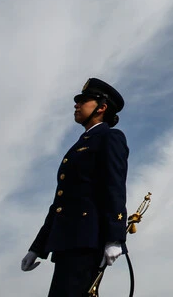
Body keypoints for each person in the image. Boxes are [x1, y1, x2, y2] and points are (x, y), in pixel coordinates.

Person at [21, 78, 130, 297]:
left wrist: (114, 238)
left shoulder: (109, 137)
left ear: (101, 107)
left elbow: (114, 187)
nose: (76, 105)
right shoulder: (80, 144)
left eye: (83, 100)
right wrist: (37, 247)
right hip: (66, 243)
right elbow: (61, 202)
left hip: (87, 242)